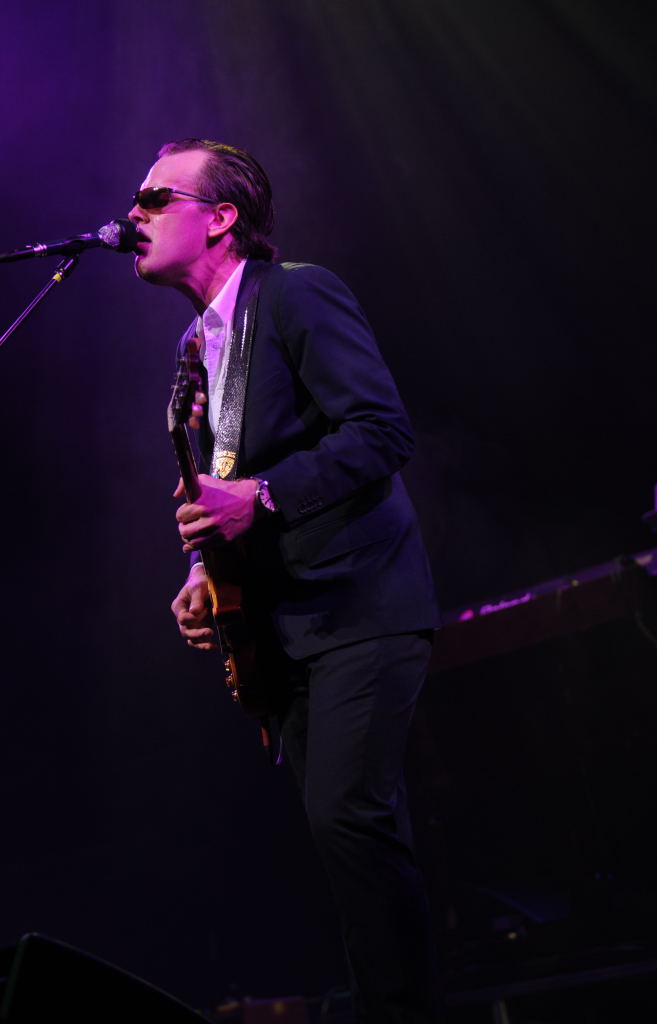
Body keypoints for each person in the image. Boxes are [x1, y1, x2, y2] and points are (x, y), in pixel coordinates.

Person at [128, 138, 441, 1023]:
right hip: (280, 625)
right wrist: (204, 570)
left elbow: (381, 430)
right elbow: (219, 485)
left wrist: (262, 497)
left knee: (349, 817)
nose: (133, 214)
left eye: (156, 197)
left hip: (359, 602)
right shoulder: (194, 348)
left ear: (220, 219)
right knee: (338, 838)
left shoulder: (298, 293)